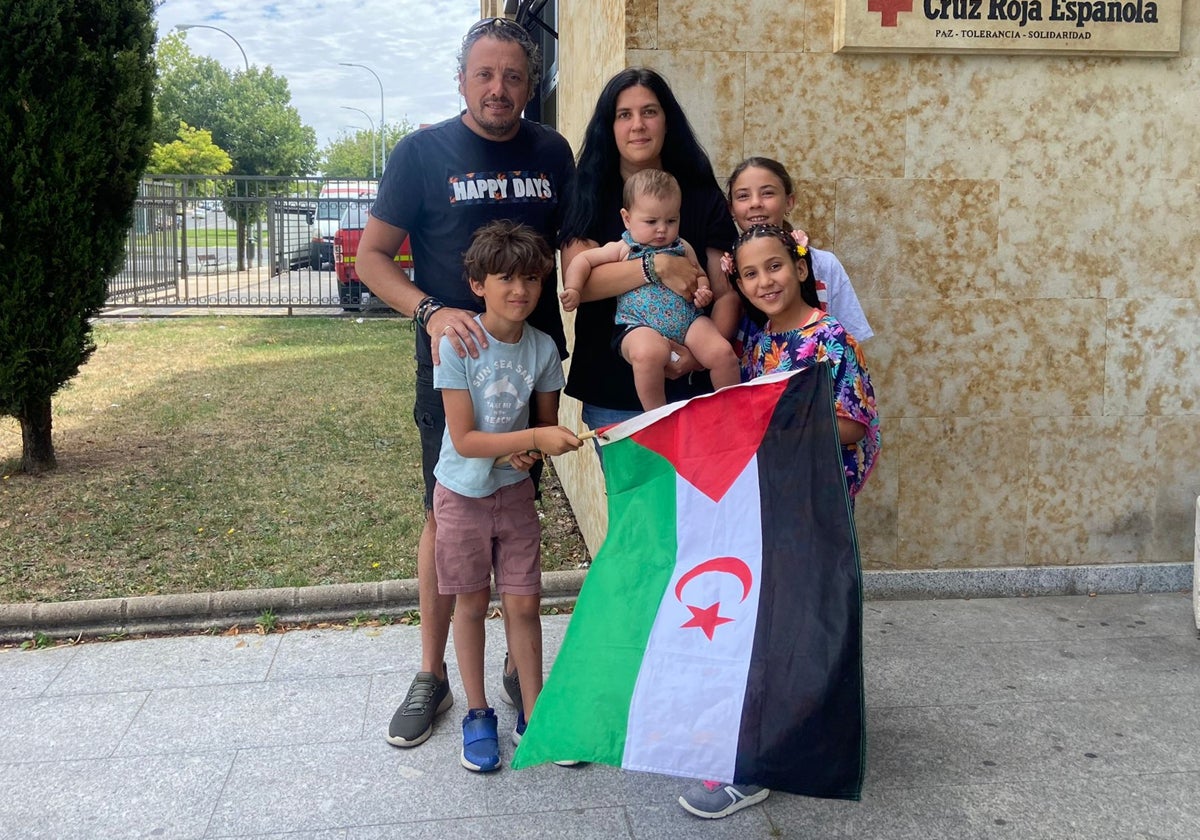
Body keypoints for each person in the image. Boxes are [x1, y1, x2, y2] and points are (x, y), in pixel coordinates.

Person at [355, 16, 574, 751]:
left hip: (532, 365)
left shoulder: (553, 150)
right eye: (484, 74)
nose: (499, 88)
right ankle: (432, 676)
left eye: (513, 75)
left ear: (531, 83)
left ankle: (521, 672)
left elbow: (574, 247)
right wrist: (430, 310)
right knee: (444, 512)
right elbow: (373, 259)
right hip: (456, 365)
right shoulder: (421, 152)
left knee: (515, 500)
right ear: (461, 79)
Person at [677, 223, 879, 818]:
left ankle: (767, 759)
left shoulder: (833, 339)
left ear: (798, 267)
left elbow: (852, 425)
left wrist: (781, 423)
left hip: (814, 509)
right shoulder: (759, 341)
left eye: (775, 267)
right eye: (751, 273)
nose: (765, 281)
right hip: (768, 508)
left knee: (800, 627)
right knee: (766, 627)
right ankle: (769, 741)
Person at [431, 221, 582, 772]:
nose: (521, 291)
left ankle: (535, 713)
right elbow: (466, 439)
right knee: (470, 604)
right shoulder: (457, 343)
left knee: (523, 602)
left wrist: (531, 451)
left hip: (514, 495)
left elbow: (541, 424)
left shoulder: (543, 348)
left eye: (532, 281)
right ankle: (477, 713)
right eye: (506, 279)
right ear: (478, 284)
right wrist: (532, 440)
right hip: (462, 496)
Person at [560, 68, 738, 430]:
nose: (637, 124)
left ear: (667, 121)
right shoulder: (588, 193)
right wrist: (655, 267)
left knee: (701, 488)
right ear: (609, 127)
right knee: (636, 490)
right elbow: (583, 281)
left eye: (649, 112)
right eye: (624, 115)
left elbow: (724, 292)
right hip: (613, 392)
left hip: (695, 390)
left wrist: (695, 358)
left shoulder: (702, 195)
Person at [560, 168, 739, 410]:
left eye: (671, 220)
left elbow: (699, 274)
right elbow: (583, 261)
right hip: (639, 324)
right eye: (651, 221)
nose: (662, 229)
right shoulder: (624, 247)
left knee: (722, 353)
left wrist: (703, 290)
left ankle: (733, 409)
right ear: (627, 218)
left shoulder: (682, 246)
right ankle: (656, 415)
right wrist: (574, 288)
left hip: (687, 320)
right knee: (648, 354)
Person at [725, 156, 873, 342]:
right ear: (731, 208)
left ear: (789, 201)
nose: (755, 203)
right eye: (743, 196)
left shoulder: (824, 264)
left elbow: (851, 342)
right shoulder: (726, 268)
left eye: (767, 193)